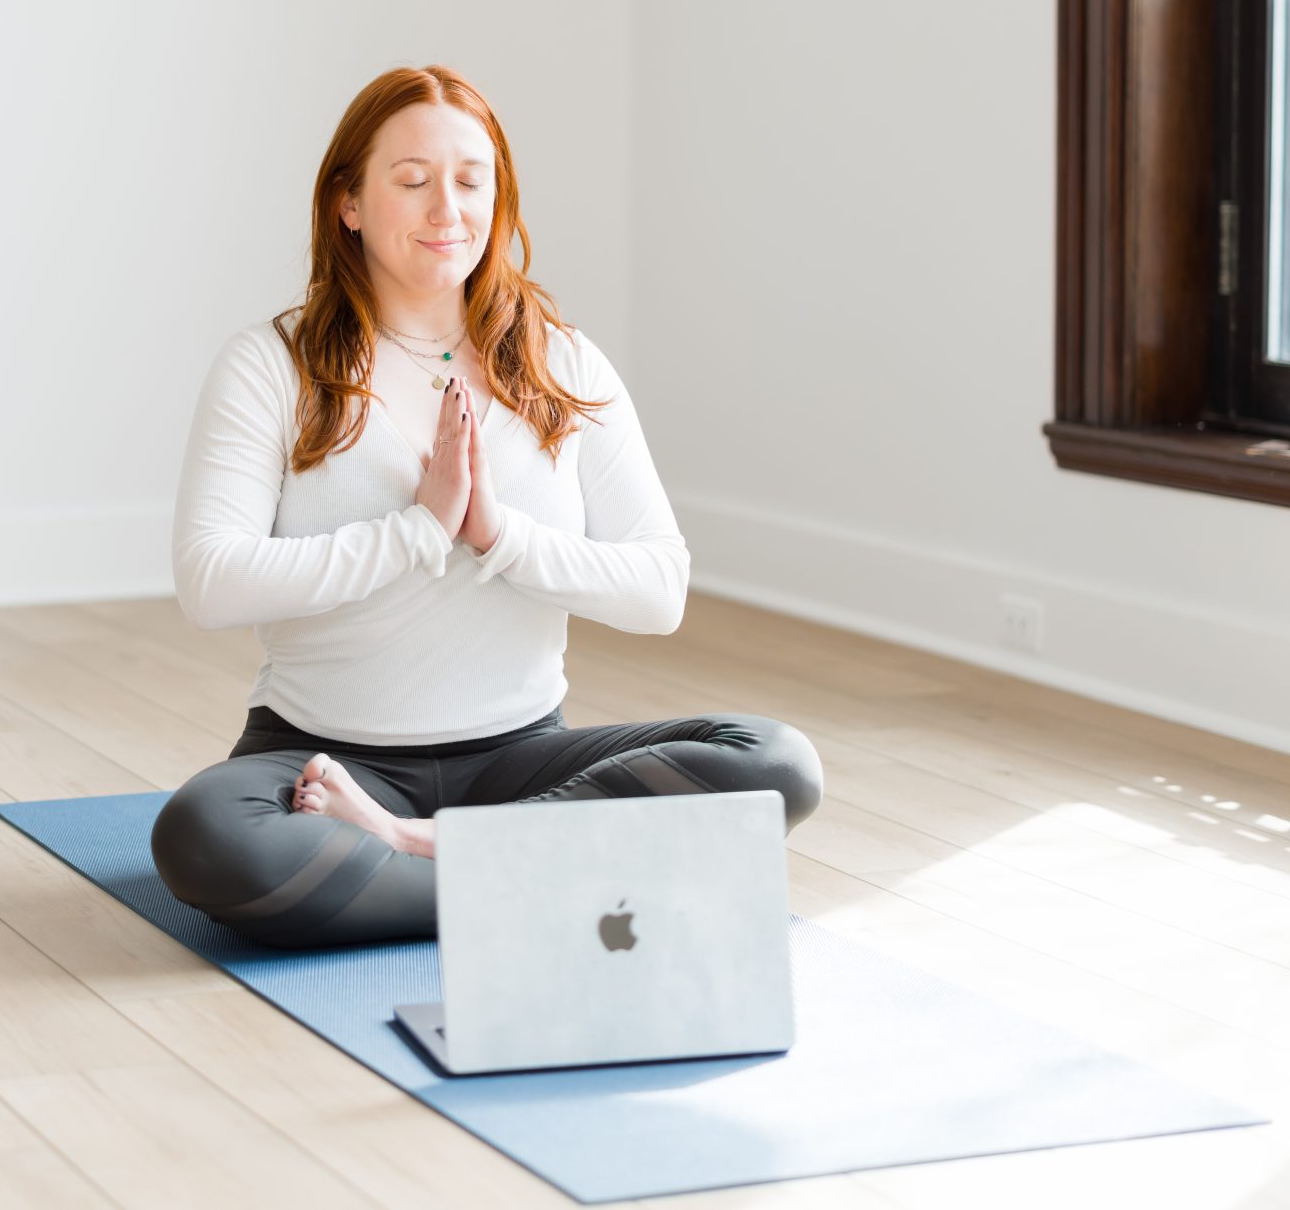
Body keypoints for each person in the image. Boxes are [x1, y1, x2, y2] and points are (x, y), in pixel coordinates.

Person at [153, 64, 823, 948]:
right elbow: (212, 584)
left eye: (471, 182)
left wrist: (499, 536)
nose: (447, 210)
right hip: (322, 761)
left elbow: (660, 591)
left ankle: (419, 851)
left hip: (521, 759)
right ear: (348, 202)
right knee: (204, 839)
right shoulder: (269, 365)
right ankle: (540, 870)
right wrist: (417, 531)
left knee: (775, 763)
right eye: (412, 181)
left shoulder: (563, 364)